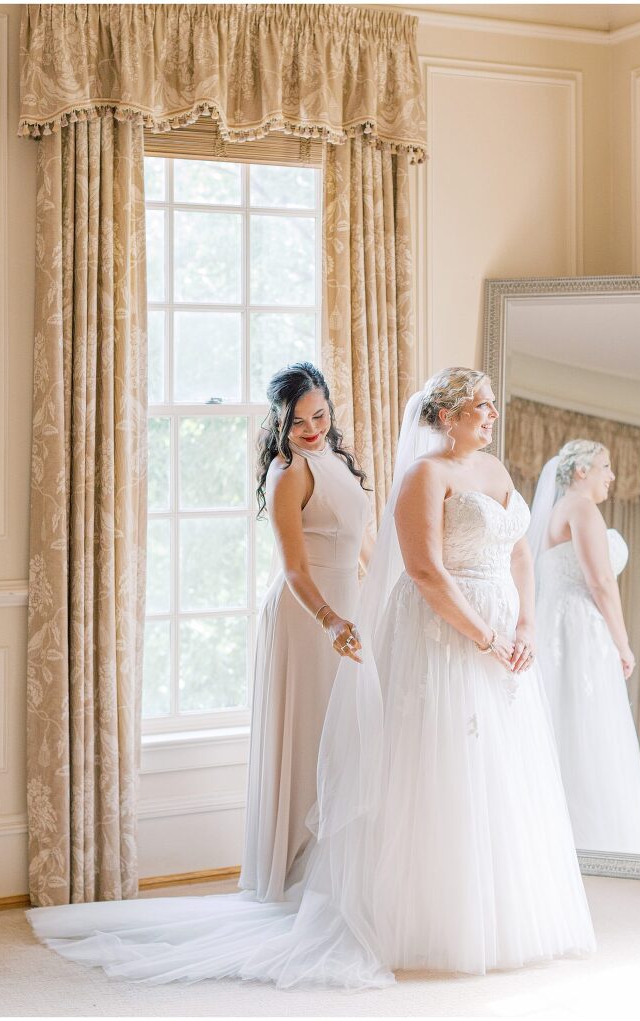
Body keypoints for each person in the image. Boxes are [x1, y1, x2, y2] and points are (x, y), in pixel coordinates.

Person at [27, 368, 595, 989]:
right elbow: (420, 570)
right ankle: (342, 888)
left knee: (494, 770)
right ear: (451, 414)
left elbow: (515, 554)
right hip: (423, 634)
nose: (492, 413)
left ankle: (496, 909)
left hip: (490, 641)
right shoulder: (413, 476)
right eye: (480, 406)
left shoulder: (494, 472)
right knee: (412, 760)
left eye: (320, 416)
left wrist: (527, 629)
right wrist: (473, 636)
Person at [241, 362, 371, 901]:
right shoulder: (287, 472)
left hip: (346, 603)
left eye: (319, 415)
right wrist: (332, 620)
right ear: (280, 424)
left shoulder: (335, 458)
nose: (312, 429)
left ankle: (340, 872)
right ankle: (297, 874)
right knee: (312, 734)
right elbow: (294, 569)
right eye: (298, 422)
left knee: (346, 734)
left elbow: (361, 541)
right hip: (307, 614)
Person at [526, 441, 640, 855]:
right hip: (580, 630)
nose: (612, 475)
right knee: (588, 723)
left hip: (559, 624)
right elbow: (601, 582)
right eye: (605, 466)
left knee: (567, 719)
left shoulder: (557, 511)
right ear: (581, 471)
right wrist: (624, 645)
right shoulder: (582, 508)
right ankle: (593, 841)